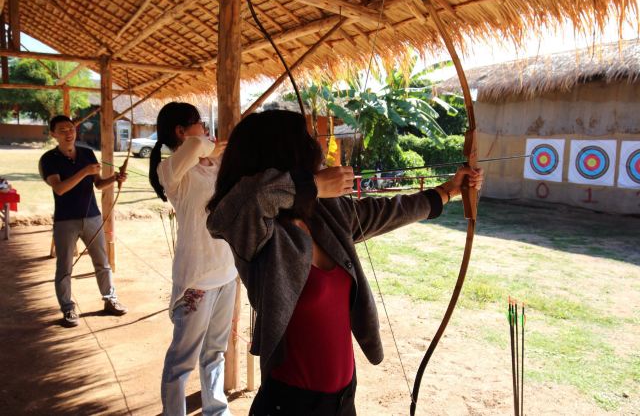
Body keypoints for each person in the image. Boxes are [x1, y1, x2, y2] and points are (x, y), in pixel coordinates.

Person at [206, 110, 483, 416]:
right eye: (306, 139)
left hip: (343, 399)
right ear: (285, 152)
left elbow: (386, 212)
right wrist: (312, 184)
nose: (315, 147)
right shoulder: (256, 231)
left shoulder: (323, 212)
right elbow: (247, 199)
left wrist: (447, 191)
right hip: (290, 403)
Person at [149, 102, 237, 416]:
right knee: (181, 361)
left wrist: (215, 151)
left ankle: (216, 410)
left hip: (227, 272)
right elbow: (198, 145)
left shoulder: (215, 163)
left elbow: (220, 151)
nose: (205, 129)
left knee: (215, 352)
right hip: (197, 279)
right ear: (180, 131)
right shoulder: (170, 170)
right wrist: (209, 146)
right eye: (199, 122)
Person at [39, 115, 128, 328]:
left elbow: (98, 184)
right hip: (65, 220)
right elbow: (60, 188)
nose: (68, 133)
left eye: (71, 128)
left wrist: (115, 178)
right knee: (64, 267)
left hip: (92, 217)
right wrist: (85, 171)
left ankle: (110, 299)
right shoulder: (49, 159)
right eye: (62, 130)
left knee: (102, 263)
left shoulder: (87, 153)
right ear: (53, 134)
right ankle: (68, 308)